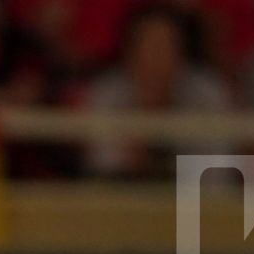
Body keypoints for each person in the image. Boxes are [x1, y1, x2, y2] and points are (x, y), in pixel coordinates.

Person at [82, 4, 231, 179]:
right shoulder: (106, 93)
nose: (157, 58)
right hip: (125, 200)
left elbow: (218, 174)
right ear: (129, 53)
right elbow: (102, 169)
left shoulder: (208, 93)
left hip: (196, 202)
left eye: (166, 46)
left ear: (182, 54)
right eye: (149, 46)